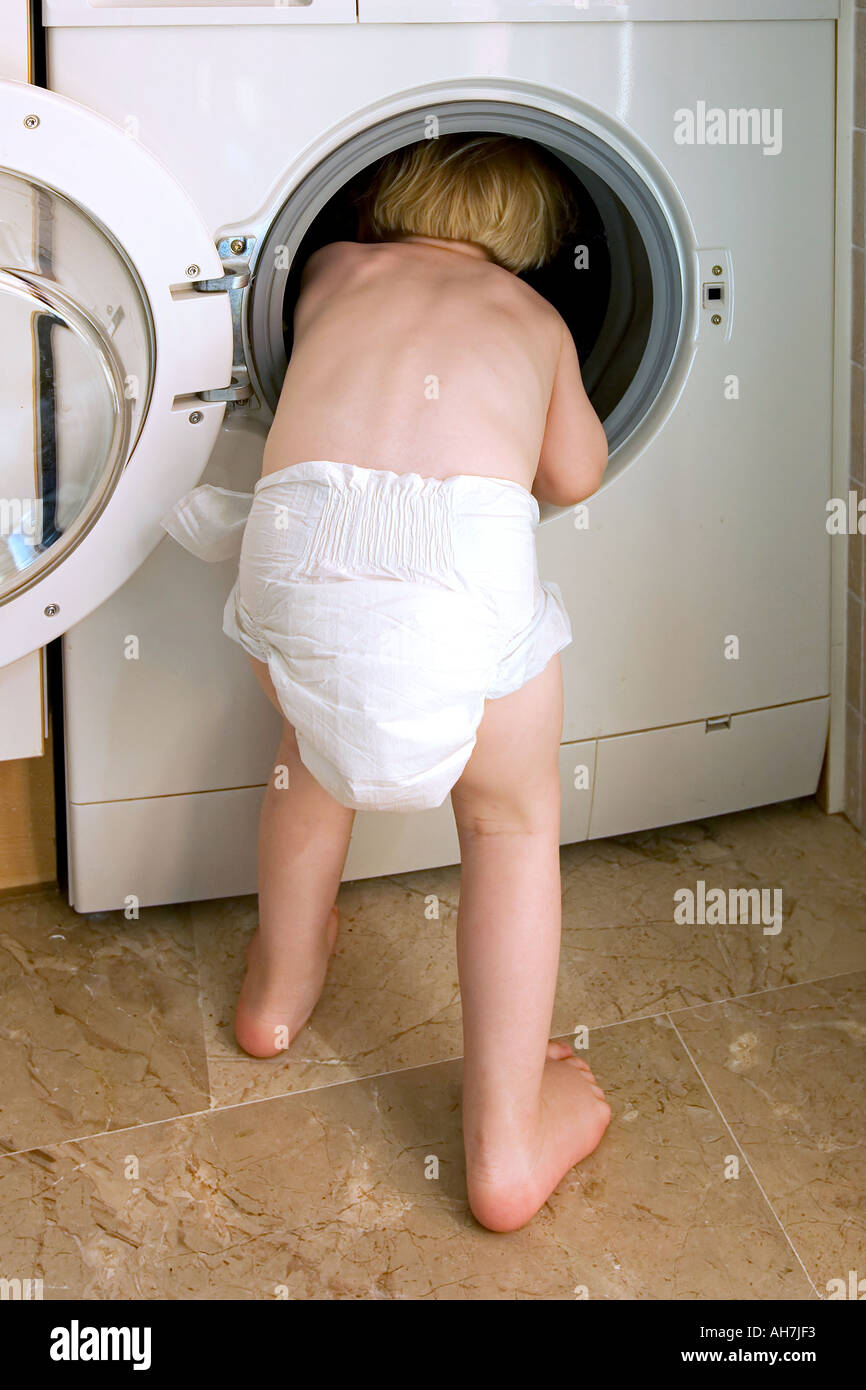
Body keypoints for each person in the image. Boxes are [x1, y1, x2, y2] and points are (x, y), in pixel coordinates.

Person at [161, 134, 610, 1233]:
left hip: (300, 550)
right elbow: (576, 472)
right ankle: (504, 1148)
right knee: (508, 826)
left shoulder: (329, 272)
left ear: (382, 202)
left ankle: (276, 995)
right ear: (533, 244)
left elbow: (278, 357)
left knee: (308, 760)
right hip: (459, 573)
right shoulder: (535, 315)